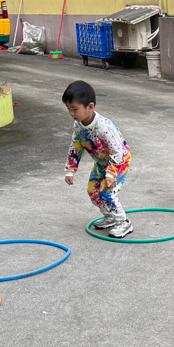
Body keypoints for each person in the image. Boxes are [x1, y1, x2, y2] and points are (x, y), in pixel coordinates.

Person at [62, 80, 133, 238]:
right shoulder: (78, 125)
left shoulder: (103, 127)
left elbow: (117, 151)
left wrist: (111, 173)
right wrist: (70, 170)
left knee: (107, 193)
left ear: (90, 106)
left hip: (118, 161)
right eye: (68, 109)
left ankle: (123, 222)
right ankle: (109, 216)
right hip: (101, 163)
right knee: (93, 191)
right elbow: (76, 146)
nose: (72, 113)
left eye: (75, 109)